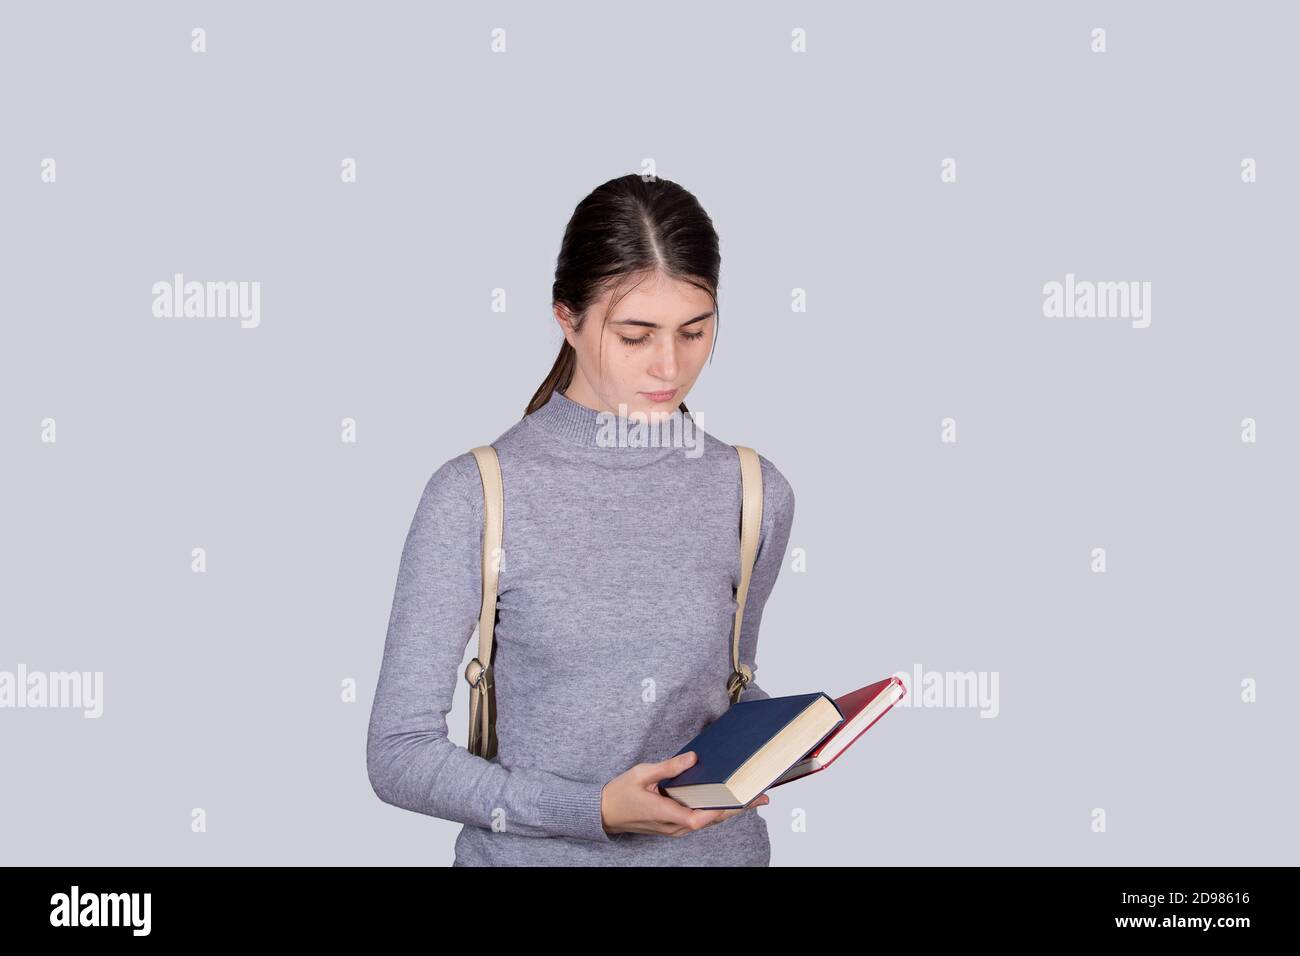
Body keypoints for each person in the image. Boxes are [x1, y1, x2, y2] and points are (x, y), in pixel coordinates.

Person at [366, 173, 796, 866]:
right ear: (567, 319)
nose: (670, 365)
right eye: (635, 335)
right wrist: (591, 810)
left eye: (695, 331)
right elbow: (398, 753)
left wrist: (783, 741)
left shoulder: (753, 490)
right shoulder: (475, 494)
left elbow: (726, 687)